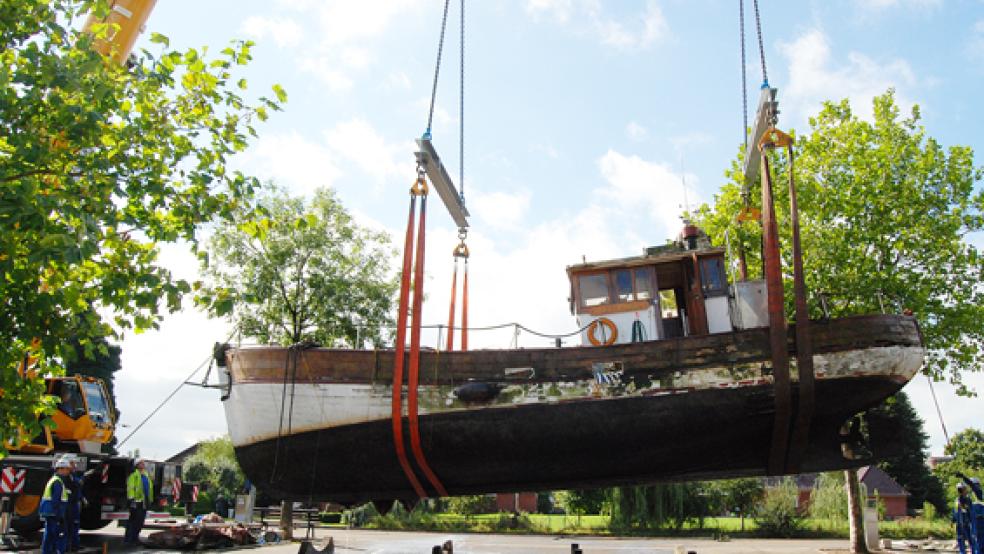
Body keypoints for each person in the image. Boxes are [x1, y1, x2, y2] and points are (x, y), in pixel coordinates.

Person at [39, 456, 72, 554]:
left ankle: (47, 551)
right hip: (54, 512)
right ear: (61, 469)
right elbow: (56, 500)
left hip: (50, 512)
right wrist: (59, 515)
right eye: (67, 469)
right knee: (53, 534)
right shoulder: (57, 481)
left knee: (49, 534)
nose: (68, 471)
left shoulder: (55, 479)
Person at [124, 459, 153, 546]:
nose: (143, 465)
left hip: (144, 502)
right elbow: (130, 488)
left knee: (140, 521)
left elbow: (149, 489)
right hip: (136, 502)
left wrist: (149, 500)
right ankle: (129, 539)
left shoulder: (146, 476)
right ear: (137, 465)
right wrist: (132, 500)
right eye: (141, 463)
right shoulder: (134, 476)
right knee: (133, 521)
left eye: (143, 464)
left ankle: (135, 538)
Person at [61, 457, 83, 552]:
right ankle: (66, 547)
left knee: (74, 525)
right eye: (73, 463)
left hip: (73, 503)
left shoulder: (72, 474)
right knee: (67, 527)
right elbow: (75, 485)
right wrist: (83, 478)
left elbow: (76, 488)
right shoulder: (65, 476)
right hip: (69, 504)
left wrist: (82, 498)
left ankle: (74, 545)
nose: (75, 465)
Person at [954, 480, 981, 554]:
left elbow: (971, 512)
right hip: (959, 524)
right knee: (960, 540)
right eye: (960, 489)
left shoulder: (968, 500)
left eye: (962, 489)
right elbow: (955, 512)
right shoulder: (957, 500)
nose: (961, 491)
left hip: (967, 523)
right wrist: (953, 520)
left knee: (971, 540)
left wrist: (973, 524)